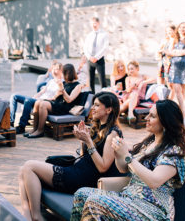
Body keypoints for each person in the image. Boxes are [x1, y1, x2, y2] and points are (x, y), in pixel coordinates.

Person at [71, 99, 185, 221]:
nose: (146, 118)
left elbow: (154, 181)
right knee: (81, 194)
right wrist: (118, 153)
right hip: (129, 197)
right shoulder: (149, 143)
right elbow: (123, 169)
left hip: (151, 208)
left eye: (152, 116)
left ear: (165, 122)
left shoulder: (174, 152)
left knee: (95, 201)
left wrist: (128, 157)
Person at [19, 92, 123, 221]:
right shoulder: (98, 127)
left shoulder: (113, 134)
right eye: (93, 105)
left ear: (109, 109)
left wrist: (89, 142)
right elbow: (85, 157)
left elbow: (103, 167)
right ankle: (27, 215)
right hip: (77, 170)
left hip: (83, 180)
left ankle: (35, 216)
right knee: (23, 169)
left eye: (96, 105)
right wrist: (82, 139)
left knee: (29, 167)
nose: (92, 108)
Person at [26, 64, 83, 139]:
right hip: (57, 103)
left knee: (43, 105)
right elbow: (55, 96)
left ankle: (40, 130)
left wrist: (62, 89)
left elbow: (69, 100)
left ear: (67, 73)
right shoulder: (65, 83)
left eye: (63, 73)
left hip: (65, 107)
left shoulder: (78, 85)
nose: (61, 75)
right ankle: (34, 129)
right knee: (38, 102)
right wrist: (47, 99)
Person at [11, 62, 63, 134]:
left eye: (56, 69)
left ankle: (21, 127)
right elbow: (42, 92)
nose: (54, 71)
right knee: (14, 96)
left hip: (44, 101)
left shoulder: (61, 83)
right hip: (37, 99)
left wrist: (40, 99)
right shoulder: (51, 81)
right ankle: (11, 122)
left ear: (61, 71)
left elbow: (55, 97)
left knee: (28, 101)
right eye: (53, 69)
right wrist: (35, 96)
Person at [163, 22, 185, 111]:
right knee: (177, 89)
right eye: (181, 27)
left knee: (183, 89)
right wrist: (179, 52)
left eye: (184, 27)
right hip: (174, 68)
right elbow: (168, 52)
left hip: (184, 67)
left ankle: (181, 106)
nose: (182, 29)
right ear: (178, 28)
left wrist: (175, 53)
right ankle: (183, 110)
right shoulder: (174, 39)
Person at [80, 17, 109, 93]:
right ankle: (91, 96)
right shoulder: (89, 35)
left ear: (99, 23)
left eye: (95, 23)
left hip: (99, 60)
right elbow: (85, 47)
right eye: (92, 23)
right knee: (90, 80)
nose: (94, 25)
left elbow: (105, 48)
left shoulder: (104, 34)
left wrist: (96, 57)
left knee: (102, 79)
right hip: (90, 60)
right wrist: (89, 57)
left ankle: (104, 95)